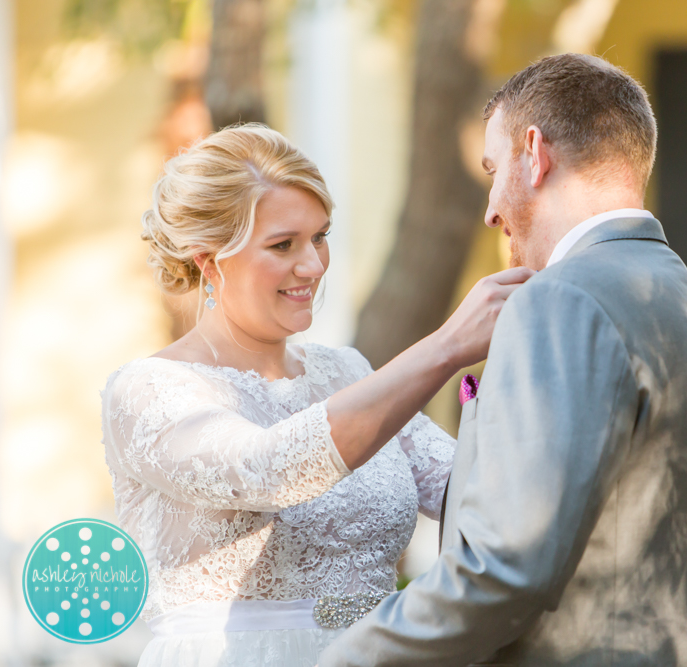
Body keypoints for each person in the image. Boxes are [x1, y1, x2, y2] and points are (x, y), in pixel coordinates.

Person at [319, 53, 687, 666]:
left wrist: (347, 659)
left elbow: (505, 566)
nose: (491, 208)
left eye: (494, 170)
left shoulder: (559, 300)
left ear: (535, 152)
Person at [99, 124, 532, 667]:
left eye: (320, 237)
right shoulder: (147, 391)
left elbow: (468, 484)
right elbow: (271, 469)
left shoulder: (346, 371)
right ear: (209, 259)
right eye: (283, 245)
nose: (313, 265)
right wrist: (446, 348)